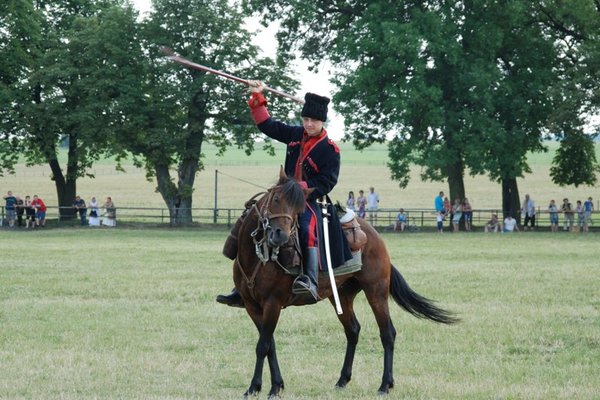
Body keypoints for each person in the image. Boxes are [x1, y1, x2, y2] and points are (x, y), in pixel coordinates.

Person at [217, 81, 343, 306]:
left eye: (313, 120)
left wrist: (301, 188)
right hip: (284, 197)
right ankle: (241, 286)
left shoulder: (330, 150)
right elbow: (267, 124)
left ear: (321, 121)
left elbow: (327, 182)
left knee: (306, 228)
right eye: (305, 120)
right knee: (253, 217)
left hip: (310, 200)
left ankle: (310, 280)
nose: (308, 124)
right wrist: (257, 97)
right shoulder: (295, 134)